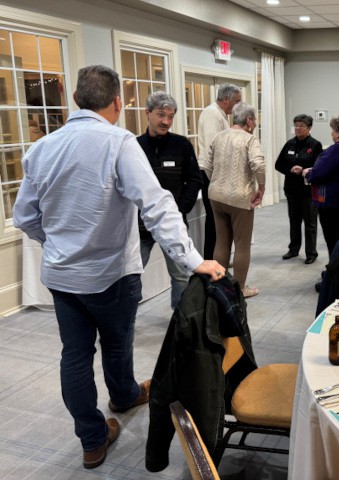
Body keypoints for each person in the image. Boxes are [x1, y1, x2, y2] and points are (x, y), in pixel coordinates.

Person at [12, 65, 225, 470]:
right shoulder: (119, 142)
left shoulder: (41, 148)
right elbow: (157, 206)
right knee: (115, 343)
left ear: (75, 100)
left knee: (75, 355)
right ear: (117, 102)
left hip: (62, 276)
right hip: (111, 273)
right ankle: (124, 395)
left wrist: (53, 242)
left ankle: (92, 439)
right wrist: (193, 260)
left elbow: (24, 217)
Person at [137, 91, 202, 309]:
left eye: (170, 116)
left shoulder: (181, 145)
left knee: (181, 275)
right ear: (147, 113)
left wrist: (180, 210)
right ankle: (123, 322)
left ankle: (181, 320)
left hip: (173, 224)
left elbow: (194, 179)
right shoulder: (134, 147)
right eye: (161, 115)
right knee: (130, 276)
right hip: (141, 225)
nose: (166, 121)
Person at [204, 102, 265, 298]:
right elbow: (258, 165)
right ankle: (239, 290)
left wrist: (217, 181)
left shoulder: (218, 136)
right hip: (240, 197)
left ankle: (219, 286)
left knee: (221, 241)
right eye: (255, 120)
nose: (255, 124)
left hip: (216, 195)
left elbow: (207, 166)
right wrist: (261, 187)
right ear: (248, 120)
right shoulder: (250, 139)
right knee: (242, 244)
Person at [196, 84, 242, 259]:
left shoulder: (220, 114)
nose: (238, 105)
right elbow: (213, 148)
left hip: (217, 174)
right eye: (237, 101)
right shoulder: (212, 114)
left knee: (220, 222)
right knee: (215, 221)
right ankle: (210, 261)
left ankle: (219, 259)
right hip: (210, 174)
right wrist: (219, 178)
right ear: (226, 99)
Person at [302, 115, 339, 258]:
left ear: (338, 133)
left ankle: (336, 267)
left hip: (330, 200)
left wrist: (307, 173)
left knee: (331, 236)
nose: (331, 133)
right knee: (338, 232)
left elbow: (318, 174)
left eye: (333, 130)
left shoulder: (335, 150)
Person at [275, 114, 323, 264]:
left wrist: (303, 169)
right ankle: (293, 249)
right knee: (294, 221)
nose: (297, 128)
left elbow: (319, 167)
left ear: (309, 128)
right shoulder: (289, 144)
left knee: (310, 223)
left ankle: (311, 253)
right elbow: (278, 164)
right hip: (292, 190)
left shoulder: (315, 145)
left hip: (308, 191)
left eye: (301, 125)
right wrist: (290, 170)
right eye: (296, 125)